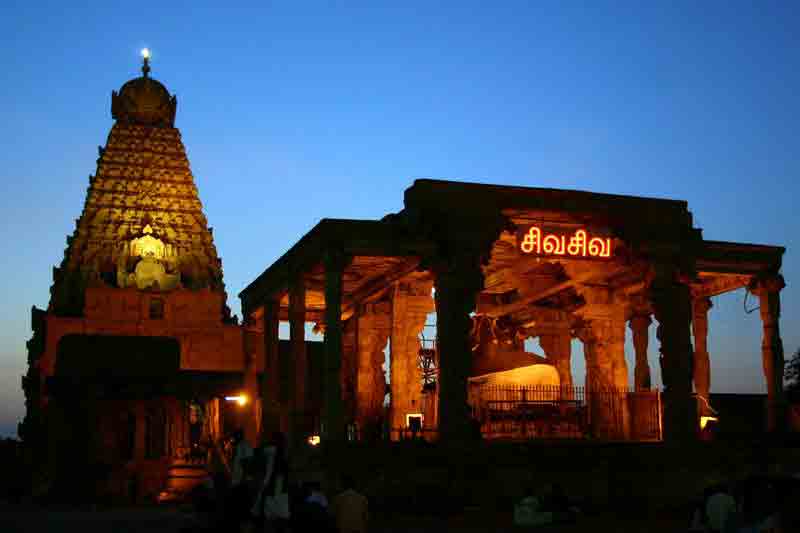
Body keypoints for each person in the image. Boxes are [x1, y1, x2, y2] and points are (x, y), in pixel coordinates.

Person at [252, 432, 290, 533]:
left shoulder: (272, 452)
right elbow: (270, 470)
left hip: (277, 487)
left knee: (274, 517)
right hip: (275, 487)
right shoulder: (272, 452)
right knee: (275, 517)